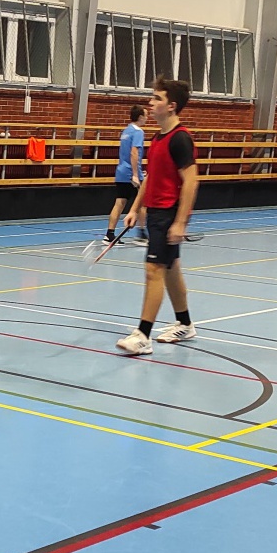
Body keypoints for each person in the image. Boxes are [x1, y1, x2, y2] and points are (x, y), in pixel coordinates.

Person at [116, 78, 200, 355]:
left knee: (154, 270)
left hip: (168, 214)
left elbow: (191, 181)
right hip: (154, 213)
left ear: (171, 106)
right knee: (171, 268)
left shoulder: (180, 138)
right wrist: (134, 209)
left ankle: (143, 335)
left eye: (157, 98)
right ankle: (185, 324)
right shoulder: (158, 137)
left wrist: (180, 222)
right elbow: (151, 176)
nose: (150, 103)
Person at [104, 104, 148, 244]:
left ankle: (109, 234)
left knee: (120, 202)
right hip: (131, 173)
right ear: (140, 117)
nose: (147, 118)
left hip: (121, 171)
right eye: (146, 116)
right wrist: (135, 174)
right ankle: (141, 235)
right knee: (142, 202)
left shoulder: (126, 131)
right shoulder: (138, 132)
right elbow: (134, 152)